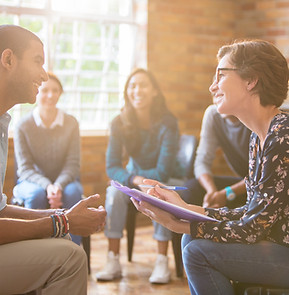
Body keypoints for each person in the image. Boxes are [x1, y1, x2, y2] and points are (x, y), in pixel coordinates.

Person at [132, 39, 289, 295]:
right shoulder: (260, 137)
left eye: (221, 75)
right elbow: (251, 213)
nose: (212, 86)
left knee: (196, 250)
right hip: (276, 243)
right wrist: (182, 208)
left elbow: (252, 229)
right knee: (191, 240)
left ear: (251, 80)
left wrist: (178, 223)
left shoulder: (282, 136)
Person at [0, 24, 106, 294]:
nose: (43, 76)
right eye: (38, 61)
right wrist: (64, 222)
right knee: (71, 258)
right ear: (8, 60)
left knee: (63, 242)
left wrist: (62, 215)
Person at [96, 68, 185, 284]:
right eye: (132, 86)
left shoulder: (168, 123)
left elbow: (162, 172)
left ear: (154, 91)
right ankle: (113, 259)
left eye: (143, 85)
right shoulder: (119, 122)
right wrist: (135, 180)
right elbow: (112, 167)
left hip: (168, 180)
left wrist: (139, 181)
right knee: (113, 192)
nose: (137, 90)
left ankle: (162, 260)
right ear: (127, 92)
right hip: (134, 179)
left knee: (157, 191)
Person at [13, 72, 83, 245]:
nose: (50, 95)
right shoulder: (22, 125)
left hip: (64, 181)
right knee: (36, 195)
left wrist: (58, 185)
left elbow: (73, 164)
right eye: (45, 91)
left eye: (55, 90)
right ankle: (36, 252)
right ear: (37, 91)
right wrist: (48, 186)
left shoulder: (71, 123)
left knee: (73, 193)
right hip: (31, 182)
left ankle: (72, 252)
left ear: (60, 93)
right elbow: (25, 169)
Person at [181, 102, 251, 209]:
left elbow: (262, 176)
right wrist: (211, 191)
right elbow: (201, 162)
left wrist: (227, 193)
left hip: (264, 186)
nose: (214, 90)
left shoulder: (255, 115)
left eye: (221, 90)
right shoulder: (213, 114)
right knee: (191, 188)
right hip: (244, 182)